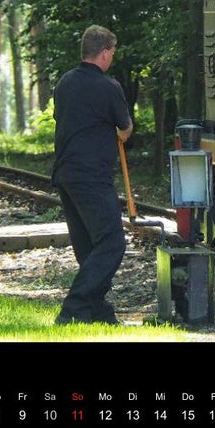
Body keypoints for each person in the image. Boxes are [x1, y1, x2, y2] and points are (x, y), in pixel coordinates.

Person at [50, 25, 133, 325]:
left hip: (65, 173)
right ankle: (73, 310)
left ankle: (98, 312)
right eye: (112, 52)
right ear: (105, 52)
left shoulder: (64, 82)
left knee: (88, 247)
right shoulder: (109, 87)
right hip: (91, 175)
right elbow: (124, 130)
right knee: (112, 242)